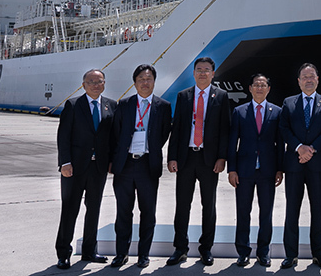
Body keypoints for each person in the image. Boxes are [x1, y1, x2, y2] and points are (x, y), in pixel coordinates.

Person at [165, 56, 231, 266]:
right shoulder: (184, 96)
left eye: (207, 70)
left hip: (209, 160)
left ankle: (206, 249)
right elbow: (177, 130)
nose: (203, 73)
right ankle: (180, 248)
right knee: (182, 205)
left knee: (208, 205)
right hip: (185, 157)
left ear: (213, 73)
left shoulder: (221, 96)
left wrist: (222, 158)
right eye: (199, 69)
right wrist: (172, 157)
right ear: (193, 73)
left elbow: (225, 130)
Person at [109, 64, 172, 268]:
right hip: (125, 165)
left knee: (148, 212)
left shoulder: (163, 106)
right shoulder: (125, 104)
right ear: (135, 83)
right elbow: (116, 133)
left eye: (149, 79)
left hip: (148, 165)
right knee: (123, 212)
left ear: (154, 81)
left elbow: (163, 134)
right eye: (141, 79)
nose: (145, 83)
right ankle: (121, 253)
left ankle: (143, 254)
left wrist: (150, 150)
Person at [55, 69, 116, 270]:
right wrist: (65, 163)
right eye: (91, 82)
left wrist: (111, 161)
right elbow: (63, 136)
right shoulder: (73, 105)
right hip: (74, 168)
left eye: (99, 81)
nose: (95, 85)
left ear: (104, 83)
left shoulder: (111, 105)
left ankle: (90, 250)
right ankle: (64, 253)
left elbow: (112, 139)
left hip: (98, 168)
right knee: (70, 210)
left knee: (94, 209)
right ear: (83, 85)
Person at [279, 63, 321, 268]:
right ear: (298, 81)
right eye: (304, 76)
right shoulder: (289, 102)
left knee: (318, 210)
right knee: (291, 210)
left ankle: (319, 254)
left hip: (317, 164)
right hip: (294, 165)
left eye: (312, 76)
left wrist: (311, 148)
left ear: (318, 79)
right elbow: (284, 128)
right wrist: (298, 148)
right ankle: (290, 254)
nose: (308, 80)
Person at [228, 73, 284, 267]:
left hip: (268, 171)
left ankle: (263, 252)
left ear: (268, 89)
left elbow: (280, 143)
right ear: (250, 88)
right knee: (243, 212)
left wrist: (279, 169)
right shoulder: (239, 111)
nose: (259, 88)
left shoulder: (277, 112)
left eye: (263, 85)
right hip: (244, 171)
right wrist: (232, 169)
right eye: (256, 85)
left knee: (266, 213)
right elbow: (232, 142)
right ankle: (243, 252)